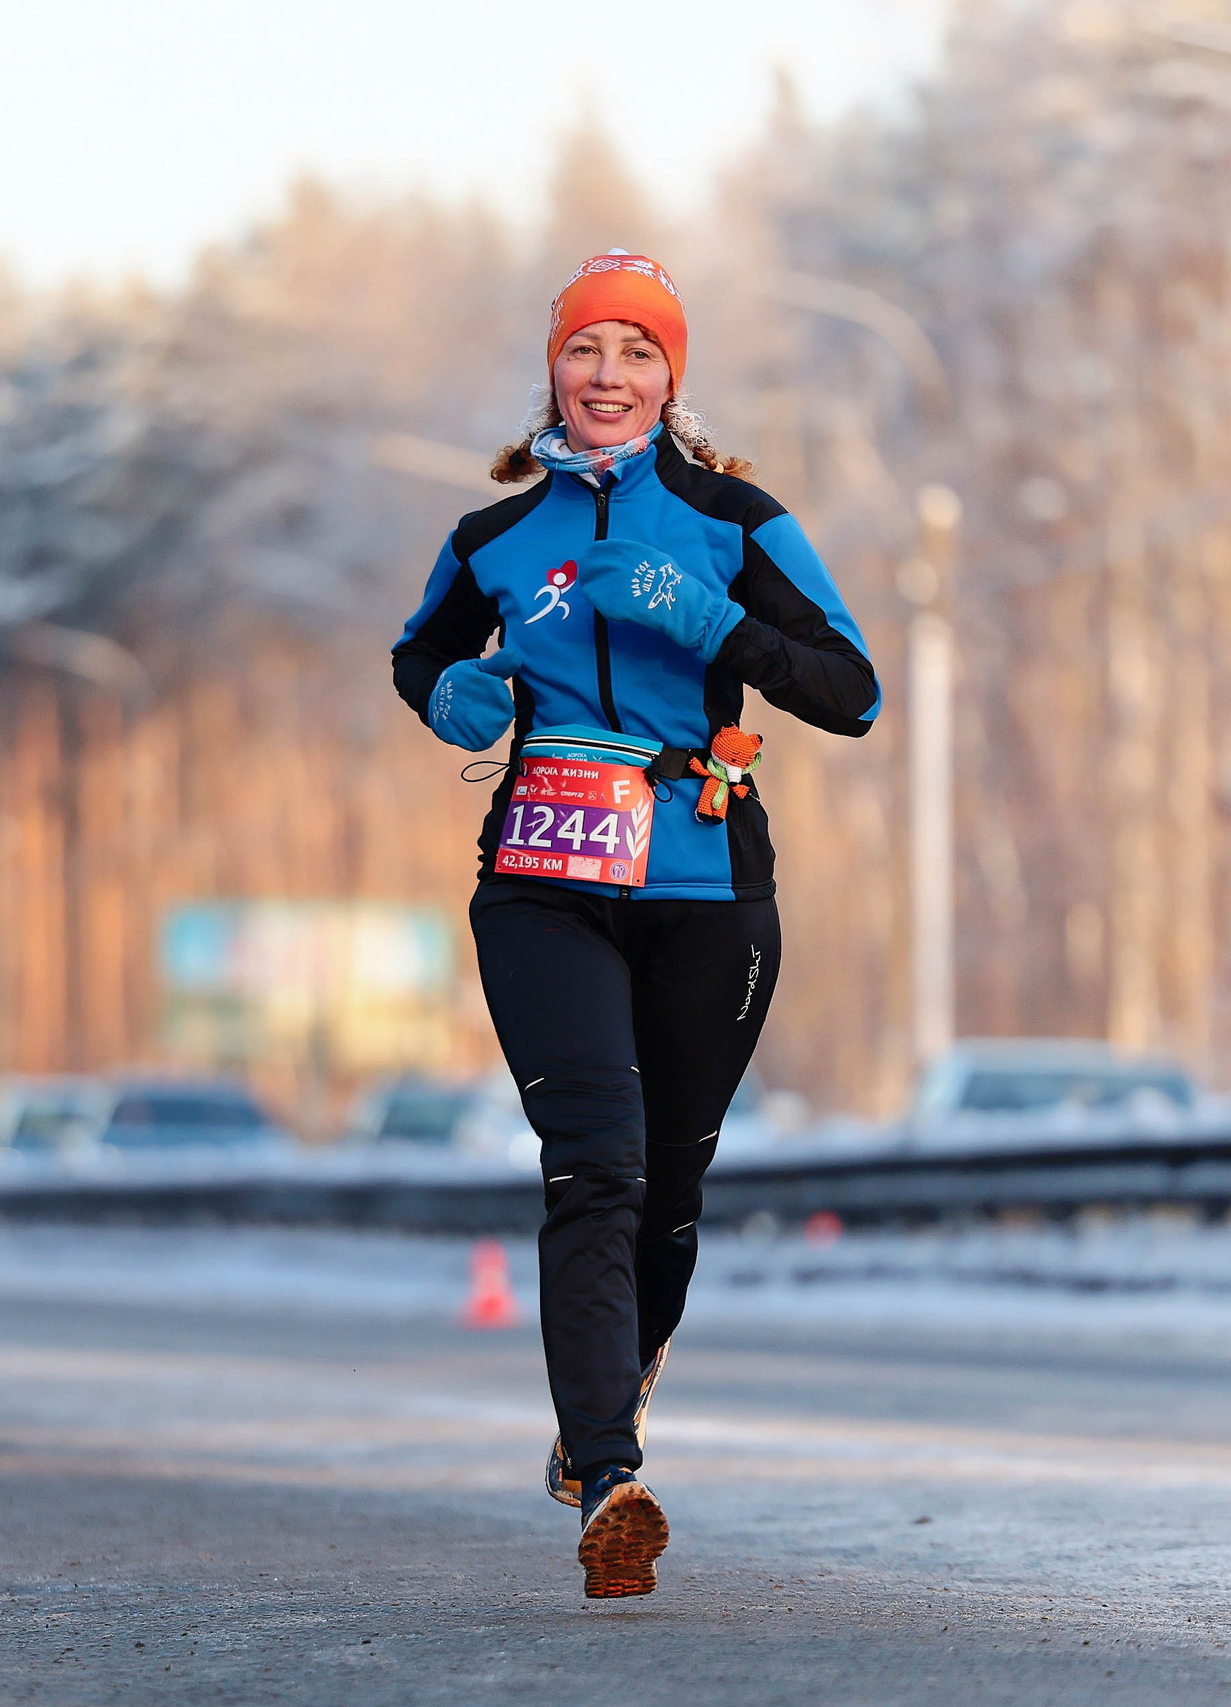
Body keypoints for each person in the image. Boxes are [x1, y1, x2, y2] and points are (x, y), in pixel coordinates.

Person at [392, 250, 876, 1598]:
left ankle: (605, 1398)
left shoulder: (737, 520)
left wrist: (713, 615)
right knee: (591, 1162)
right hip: (544, 882)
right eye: (585, 349)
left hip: (708, 884)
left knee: (665, 1186)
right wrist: (453, 701)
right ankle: (612, 1474)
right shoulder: (495, 538)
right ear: (551, 368)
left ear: (673, 377)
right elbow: (418, 648)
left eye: (638, 352)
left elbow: (854, 690)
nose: (609, 376)